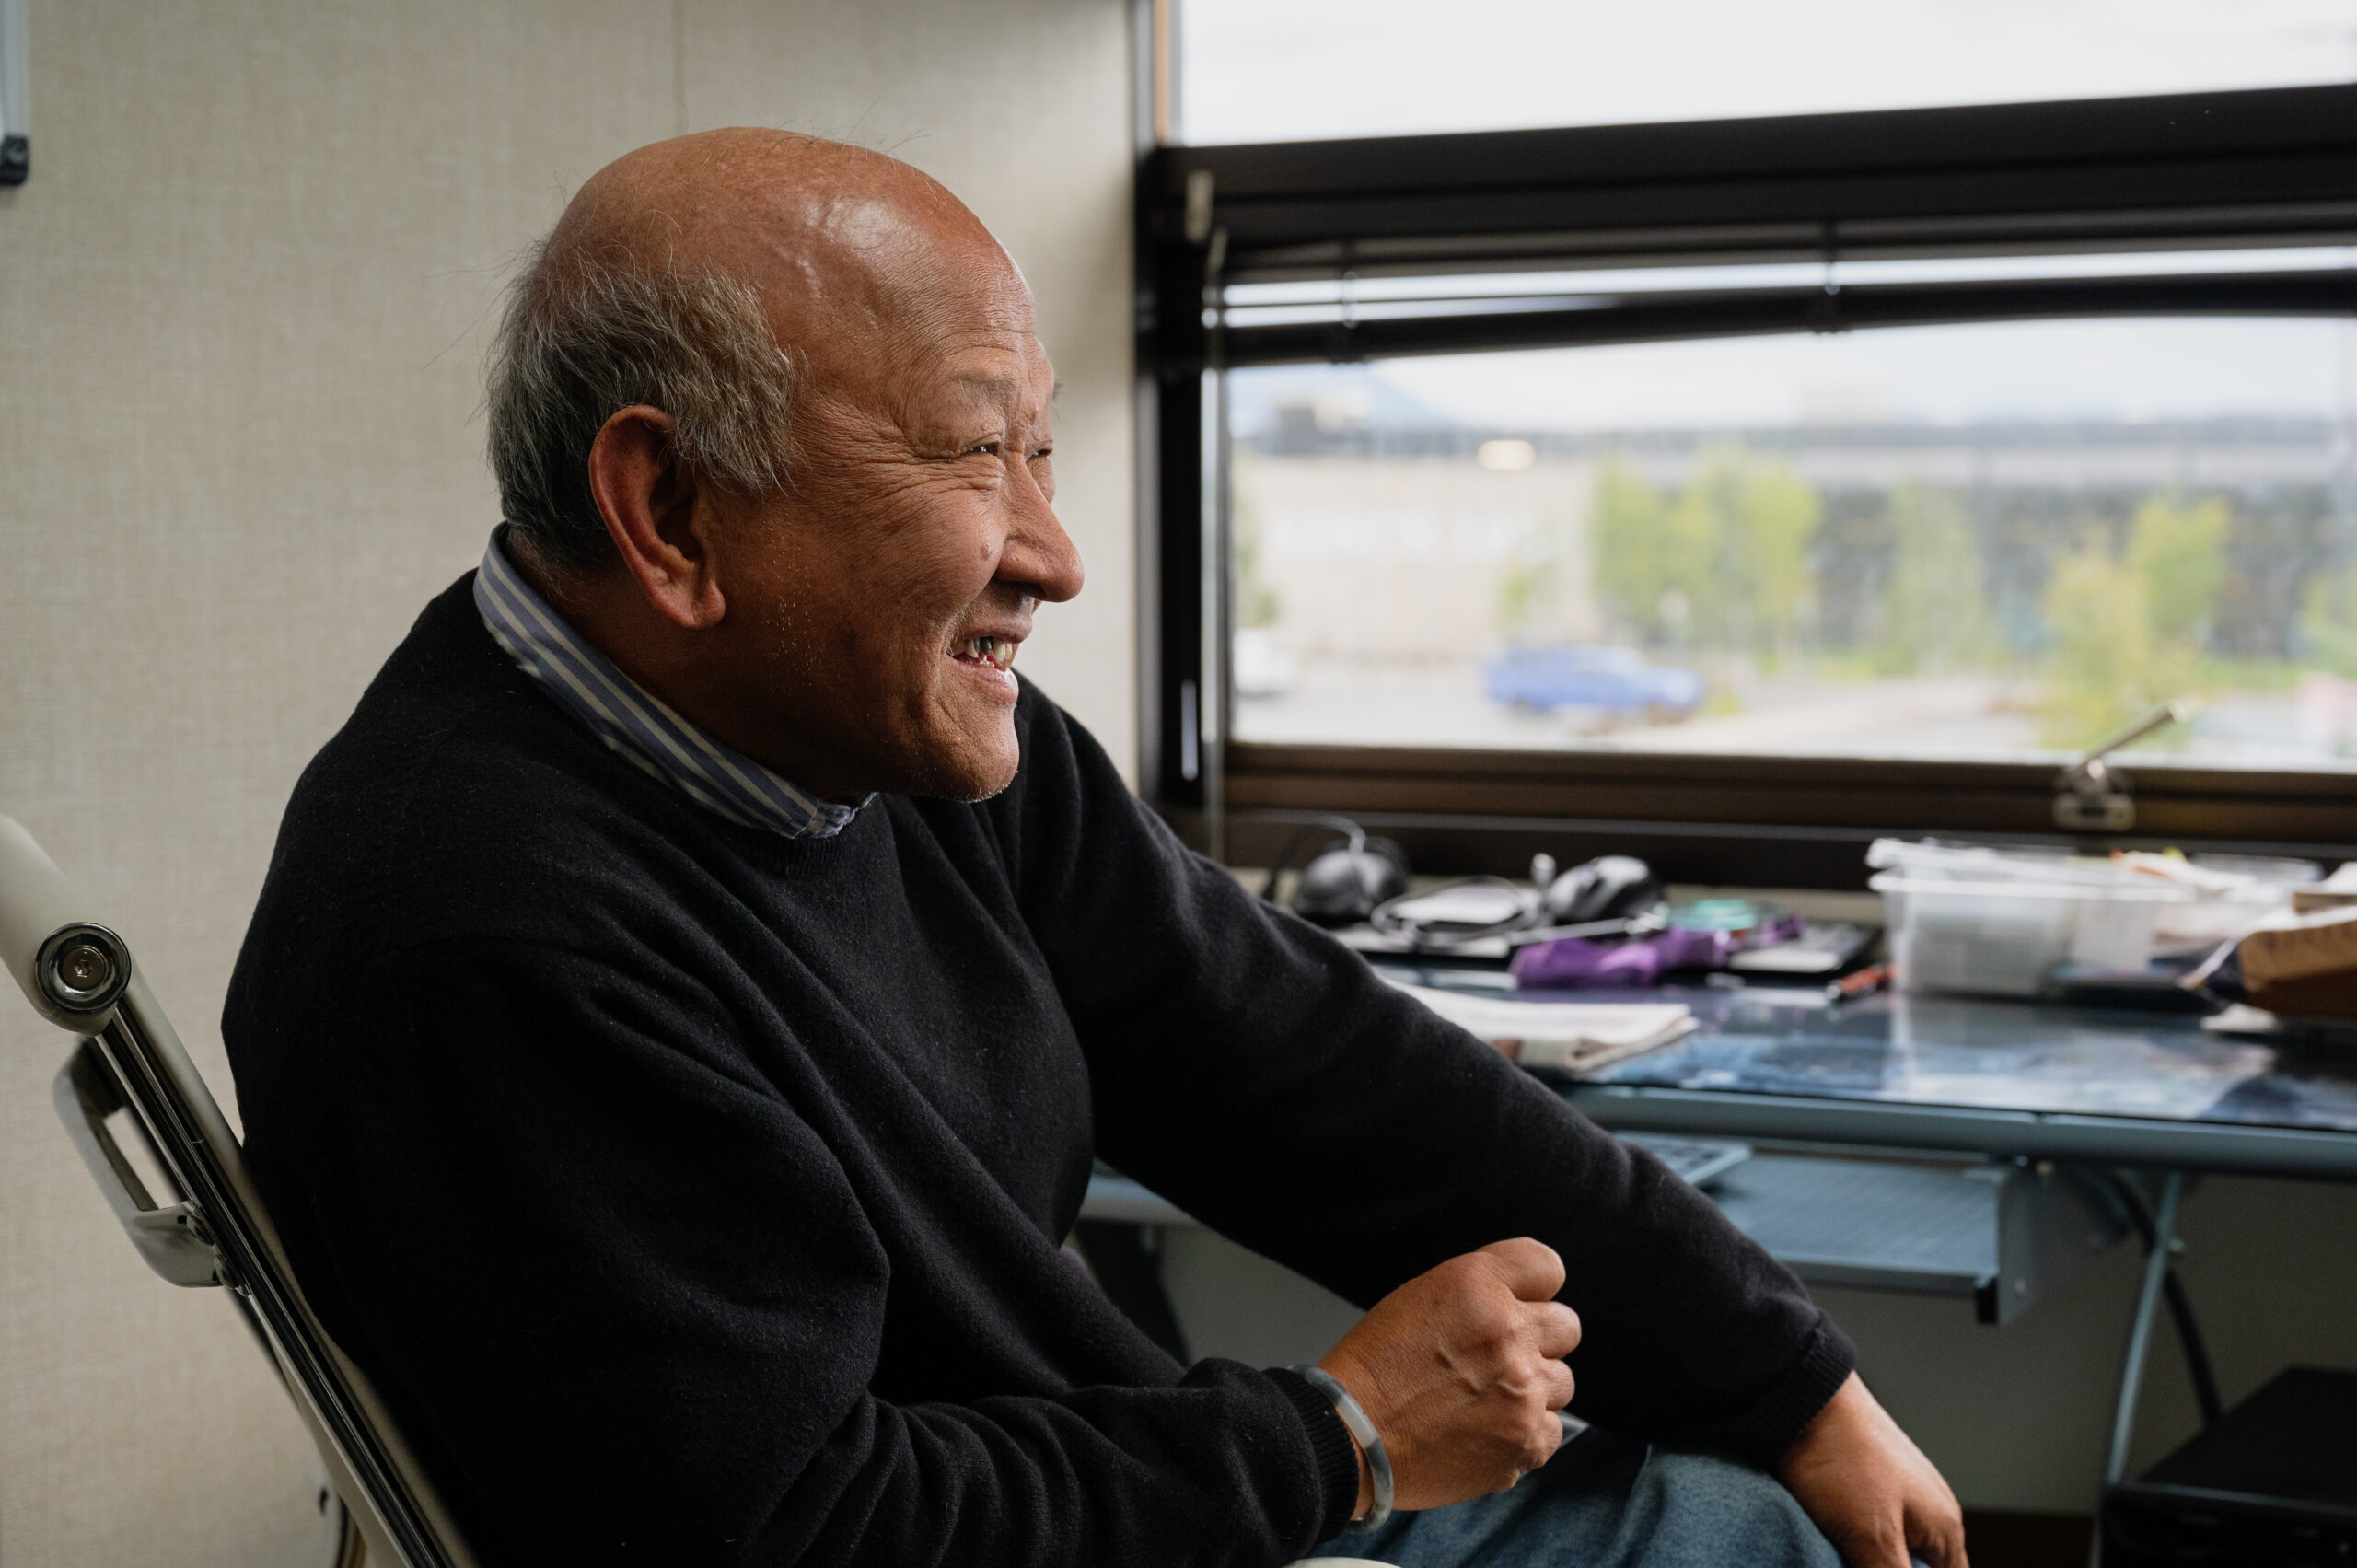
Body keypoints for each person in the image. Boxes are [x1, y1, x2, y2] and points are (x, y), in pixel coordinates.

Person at [224, 130, 1964, 1568]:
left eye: (1041, 447)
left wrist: (1790, 1376)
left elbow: (1311, 1067)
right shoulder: (490, 936)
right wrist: (1337, 1439)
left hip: (1113, 1488)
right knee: (1717, 1540)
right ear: (674, 513)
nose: (1054, 555)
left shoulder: (896, 746)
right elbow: (788, 1534)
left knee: (1744, 1481)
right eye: (978, 451)